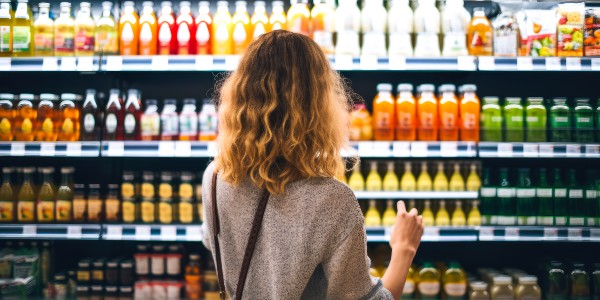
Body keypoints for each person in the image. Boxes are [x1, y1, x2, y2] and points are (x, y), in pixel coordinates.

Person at [202, 30, 423, 299]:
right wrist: (404, 249)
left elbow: (216, 243)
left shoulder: (213, 177)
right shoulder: (331, 200)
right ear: (318, 105)